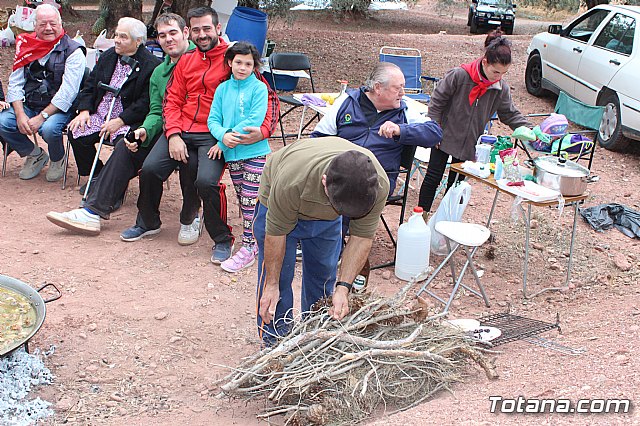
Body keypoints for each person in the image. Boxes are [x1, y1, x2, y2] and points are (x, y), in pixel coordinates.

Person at [120, 6, 279, 264]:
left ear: (218, 29)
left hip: (213, 134)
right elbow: (171, 100)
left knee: (206, 181)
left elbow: (266, 95)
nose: (202, 34)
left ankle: (221, 237)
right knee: (150, 169)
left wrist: (262, 131)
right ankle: (148, 221)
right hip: (181, 129)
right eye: (196, 30)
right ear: (189, 32)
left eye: (207, 28)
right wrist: (172, 135)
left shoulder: (233, 59)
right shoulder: (185, 61)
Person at [45, 13, 190, 235]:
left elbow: (143, 106)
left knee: (140, 156)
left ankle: (180, 219)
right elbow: (156, 110)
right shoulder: (159, 72)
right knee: (122, 143)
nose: (168, 39)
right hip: (155, 127)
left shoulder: (183, 64)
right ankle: (93, 211)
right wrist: (143, 130)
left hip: (186, 131)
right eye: (162, 35)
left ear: (185, 33)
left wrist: (131, 124)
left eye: (173, 33)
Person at [255, 136, 390, 344]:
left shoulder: (377, 185)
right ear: (325, 181)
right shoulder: (292, 181)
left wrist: (343, 287)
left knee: (323, 276)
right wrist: (271, 284)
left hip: (325, 216)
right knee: (278, 280)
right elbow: (276, 235)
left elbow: (361, 238)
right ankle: (276, 345)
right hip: (283, 199)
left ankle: (315, 338)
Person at [418, 30, 530, 216]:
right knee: (432, 177)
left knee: (457, 185)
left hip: (469, 142)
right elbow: (436, 102)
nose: (498, 77)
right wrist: (434, 129)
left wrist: (527, 128)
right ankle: (421, 217)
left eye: (503, 73)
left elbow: (509, 113)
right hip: (443, 136)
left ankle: (446, 221)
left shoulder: (500, 88)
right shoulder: (460, 75)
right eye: (495, 71)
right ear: (485, 62)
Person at [311, 62, 442, 194]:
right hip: (339, 172)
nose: (402, 93)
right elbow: (318, 138)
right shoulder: (347, 102)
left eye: (403, 87)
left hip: (377, 179)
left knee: (343, 192)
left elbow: (434, 132)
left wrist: (400, 130)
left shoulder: (404, 110)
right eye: (397, 88)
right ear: (378, 88)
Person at [67, 17, 160, 185]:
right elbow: (90, 86)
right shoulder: (108, 56)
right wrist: (84, 111)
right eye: (116, 35)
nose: (117, 40)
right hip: (100, 115)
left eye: (123, 37)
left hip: (127, 120)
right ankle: (98, 174)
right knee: (76, 131)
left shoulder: (151, 65)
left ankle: (115, 185)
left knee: (124, 148)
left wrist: (120, 121)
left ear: (138, 41)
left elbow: (145, 102)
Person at [0, 4, 85, 182]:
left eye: (53, 24)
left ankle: (57, 158)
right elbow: (15, 83)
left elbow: (68, 93)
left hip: (60, 108)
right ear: (34, 25)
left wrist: (42, 117)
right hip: (30, 103)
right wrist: (20, 113)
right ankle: (35, 154)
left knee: (49, 128)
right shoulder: (24, 45)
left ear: (61, 24)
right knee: (3, 122)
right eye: (42, 24)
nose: (48, 28)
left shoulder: (74, 51)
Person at [207, 41, 271, 273]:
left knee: (250, 200)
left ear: (254, 66)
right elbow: (212, 120)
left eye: (248, 64)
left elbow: (255, 119)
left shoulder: (259, 89)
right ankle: (255, 242)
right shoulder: (222, 89)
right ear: (229, 63)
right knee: (242, 199)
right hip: (232, 154)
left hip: (254, 152)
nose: (243, 67)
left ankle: (249, 247)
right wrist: (223, 136)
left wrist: (226, 138)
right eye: (238, 62)